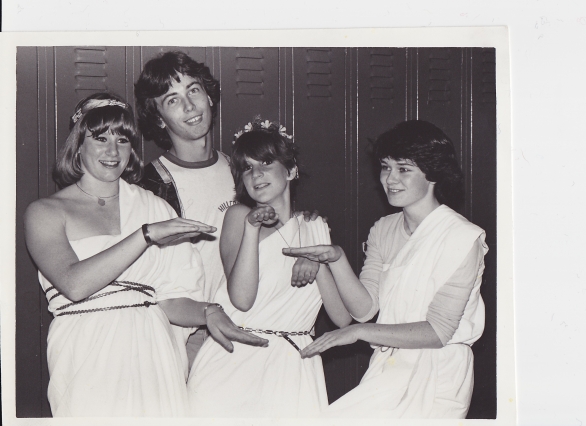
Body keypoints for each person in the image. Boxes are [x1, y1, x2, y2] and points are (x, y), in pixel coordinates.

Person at [23, 93, 267, 417]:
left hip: (155, 351)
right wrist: (146, 235)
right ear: (78, 144)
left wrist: (209, 311)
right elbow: (74, 284)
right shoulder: (45, 212)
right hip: (85, 353)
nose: (113, 151)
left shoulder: (153, 206)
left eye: (123, 140)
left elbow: (170, 300)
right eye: (100, 138)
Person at [283, 120, 488, 419]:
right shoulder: (384, 228)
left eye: (404, 169)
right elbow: (364, 309)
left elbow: (438, 332)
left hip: (439, 375)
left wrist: (358, 333)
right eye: (385, 167)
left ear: (432, 173)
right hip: (387, 366)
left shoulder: (461, 236)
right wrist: (336, 259)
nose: (390, 178)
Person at [135, 51, 321, 367]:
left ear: (209, 96)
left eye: (193, 90)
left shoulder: (241, 169)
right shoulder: (153, 183)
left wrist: (309, 242)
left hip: (254, 322)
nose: (189, 106)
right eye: (172, 100)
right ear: (158, 118)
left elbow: (277, 232)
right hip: (192, 334)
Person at [187, 119, 352, 417]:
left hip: (293, 365)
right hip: (235, 359)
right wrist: (252, 229)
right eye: (246, 168)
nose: (256, 174)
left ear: (290, 170)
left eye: (265, 162)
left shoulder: (315, 226)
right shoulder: (238, 216)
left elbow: (342, 319)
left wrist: (318, 265)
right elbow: (242, 299)